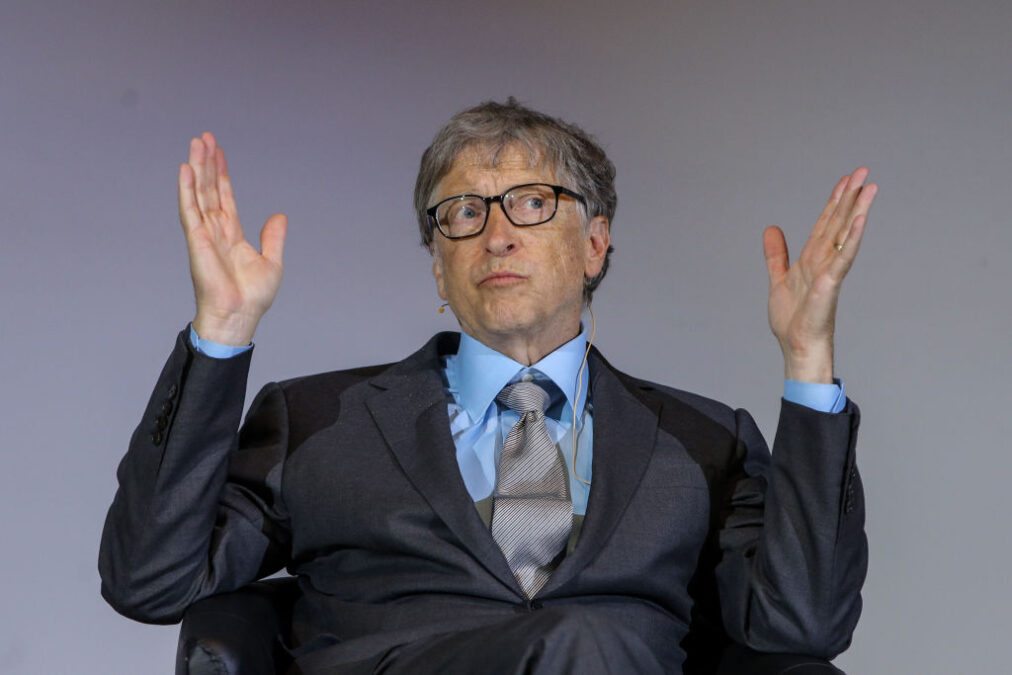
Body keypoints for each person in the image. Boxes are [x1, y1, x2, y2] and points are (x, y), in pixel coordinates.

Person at [99, 99, 876, 674]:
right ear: (440, 266)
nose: (496, 233)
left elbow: (804, 624)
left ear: (595, 244)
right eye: (463, 213)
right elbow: (151, 581)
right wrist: (223, 332)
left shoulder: (705, 442)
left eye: (532, 204)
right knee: (580, 642)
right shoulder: (315, 420)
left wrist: (807, 360)